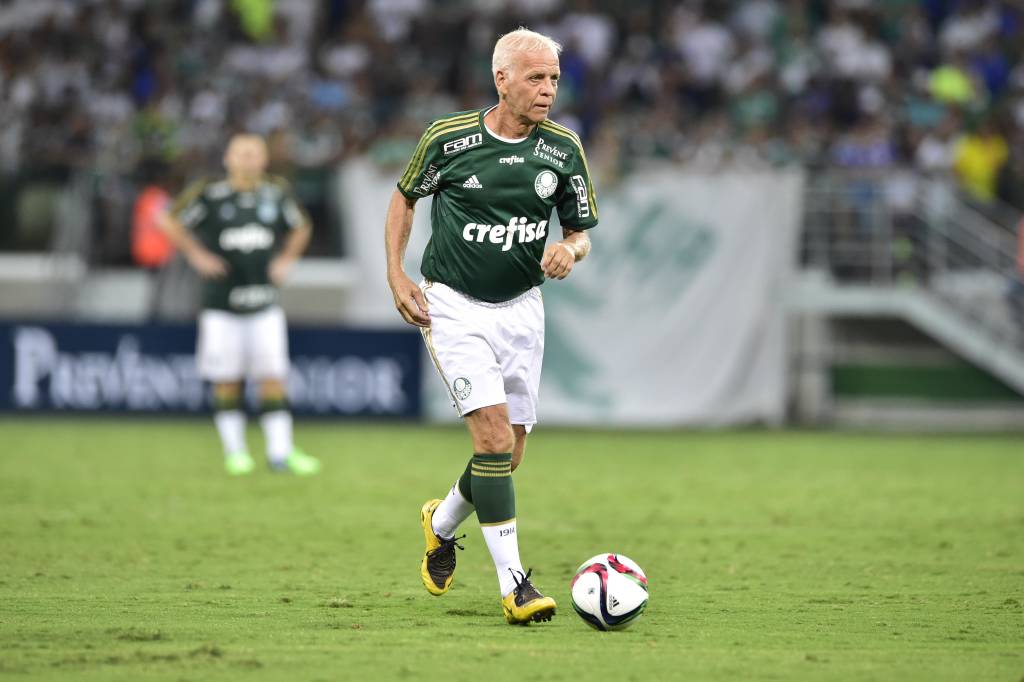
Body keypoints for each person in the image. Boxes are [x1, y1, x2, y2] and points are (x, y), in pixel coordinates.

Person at [384, 28, 598, 625]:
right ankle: (515, 587)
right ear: (500, 79)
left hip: (522, 309)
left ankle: (441, 521)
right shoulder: (448, 139)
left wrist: (569, 251)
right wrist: (397, 275)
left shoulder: (563, 150)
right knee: (494, 440)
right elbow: (404, 199)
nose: (548, 90)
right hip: (452, 306)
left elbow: (580, 233)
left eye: (554, 78)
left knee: (509, 452)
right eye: (536, 78)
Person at [160, 133, 321, 476]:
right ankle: (236, 453)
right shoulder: (211, 194)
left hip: (264, 304)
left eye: (254, 154)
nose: (247, 160)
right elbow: (169, 219)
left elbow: (302, 225)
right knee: (227, 378)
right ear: (228, 159)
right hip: (222, 307)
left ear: (263, 159)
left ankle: (281, 453)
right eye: (241, 153)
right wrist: (196, 255)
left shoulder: (276, 193)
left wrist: (287, 259)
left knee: (273, 377)